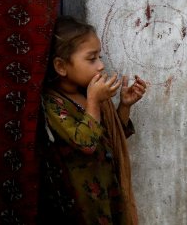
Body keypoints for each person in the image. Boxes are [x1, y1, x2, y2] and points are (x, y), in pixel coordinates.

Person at [40, 16, 149, 224]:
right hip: (81, 203)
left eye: (99, 57)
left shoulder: (89, 95)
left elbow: (109, 139)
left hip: (108, 194)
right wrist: (93, 101)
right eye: (91, 59)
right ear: (61, 66)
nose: (100, 66)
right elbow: (86, 143)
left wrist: (124, 105)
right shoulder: (54, 104)